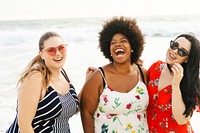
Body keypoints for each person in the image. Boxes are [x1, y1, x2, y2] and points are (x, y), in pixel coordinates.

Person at [80, 16, 149, 133]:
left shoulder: (142, 73)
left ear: (133, 46)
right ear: (108, 49)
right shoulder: (98, 77)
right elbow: (86, 112)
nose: (118, 44)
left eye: (123, 41)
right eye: (113, 43)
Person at [6, 31, 80, 133]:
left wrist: (89, 82)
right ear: (41, 54)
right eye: (51, 50)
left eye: (61, 48)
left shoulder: (64, 74)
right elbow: (24, 125)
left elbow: (73, 107)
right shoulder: (35, 78)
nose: (58, 53)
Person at [147, 34, 200, 133]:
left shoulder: (192, 83)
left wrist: (176, 85)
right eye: (174, 45)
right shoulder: (155, 68)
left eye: (182, 52)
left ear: (187, 59)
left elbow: (181, 119)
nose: (175, 51)